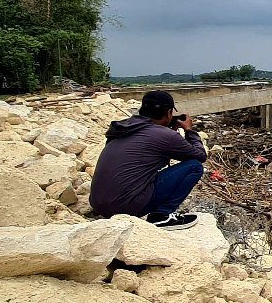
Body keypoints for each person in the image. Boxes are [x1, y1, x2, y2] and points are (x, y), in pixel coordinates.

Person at [89, 90, 208, 229]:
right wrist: (189, 130)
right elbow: (200, 155)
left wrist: (170, 132)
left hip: (98, 204)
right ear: (169, 113)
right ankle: (161, 216)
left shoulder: (124, 127)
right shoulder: (164, 135)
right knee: (194, 166)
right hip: (125, 206)